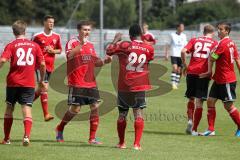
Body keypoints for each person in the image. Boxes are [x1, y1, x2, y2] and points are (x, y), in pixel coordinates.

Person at [55, 20, 111, 144]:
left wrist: (105, 61)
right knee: (75, 110)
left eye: (88, 30)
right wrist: (81, 44)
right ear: (79, 30)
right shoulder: (72, 42)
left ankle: (92, 138)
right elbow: (69, 56)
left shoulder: (90, 45)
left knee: (95, 107)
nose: (87, 32)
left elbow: (95, 62)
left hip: (91, 82)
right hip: (77, 82)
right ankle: (60, 128)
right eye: (84, 29)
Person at [106, 24, 154, 150]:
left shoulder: (124, 45)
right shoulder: (149, 48)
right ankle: (137, 144)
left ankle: (121, 143)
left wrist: (115, 40)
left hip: (124, 85)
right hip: (140, 84)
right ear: (141, 34)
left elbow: (109, 51)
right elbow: (149, 60)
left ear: (130, 35)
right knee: (138, 113)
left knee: (122, 114)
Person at [0, 20, 46, 146]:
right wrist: (41, 80)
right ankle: (26, 136)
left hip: (13, 82)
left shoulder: (11, 45)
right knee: (26, 109)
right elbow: (42, 64)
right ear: (25, 31)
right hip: (29, 83)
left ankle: (7, 139)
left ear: (13, 32)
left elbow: (3, 59)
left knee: (9, 108)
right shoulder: (34, 46)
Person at [202, 22, 240, 136]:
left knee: (228, 106)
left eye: (221, 29)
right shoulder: (232, 43)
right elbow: (237, 60)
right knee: (210, 101)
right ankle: (211, 129)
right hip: (219, 79)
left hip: (226, 79)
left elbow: (213, 58)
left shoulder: (222, 44)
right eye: (218, 29)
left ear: (226, 31)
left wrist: (210, 57)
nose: (218, 31)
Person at [181, 24, 218, 135]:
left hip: (191, 72)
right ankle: (194, 129)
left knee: (191, 99)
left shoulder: (194, 40)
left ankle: (190, 120)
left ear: (203, 32)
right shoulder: (215, 43)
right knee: (199, 102)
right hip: (203, 73)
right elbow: (215, 57)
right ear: (213, 32)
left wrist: (185, 65)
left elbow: (183, 51)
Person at [32, 15, 62, 121]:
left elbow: (60, 50)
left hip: (50, 67)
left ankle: (27, 102)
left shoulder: (57, 36)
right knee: (44, 87)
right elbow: (31, 49)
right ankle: (46, 114)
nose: (51, 24)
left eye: (53, 22)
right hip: (40, 66)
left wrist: (53, 51)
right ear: (44, 23)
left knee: (41, 89)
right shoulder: (37, 36)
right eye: (49, 22)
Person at [165, 23, 187, 89]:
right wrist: (166, 54)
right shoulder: (172, 35)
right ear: (178, 28)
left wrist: (186, 53)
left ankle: (176, 83)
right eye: (181, 27)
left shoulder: (184, 36)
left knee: (179, 70)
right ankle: (173, 83)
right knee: (175, 68)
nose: (183, 28)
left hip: (181, 55)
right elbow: (168, 45)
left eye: (183, 27)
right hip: (174, 54)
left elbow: (185, 46)